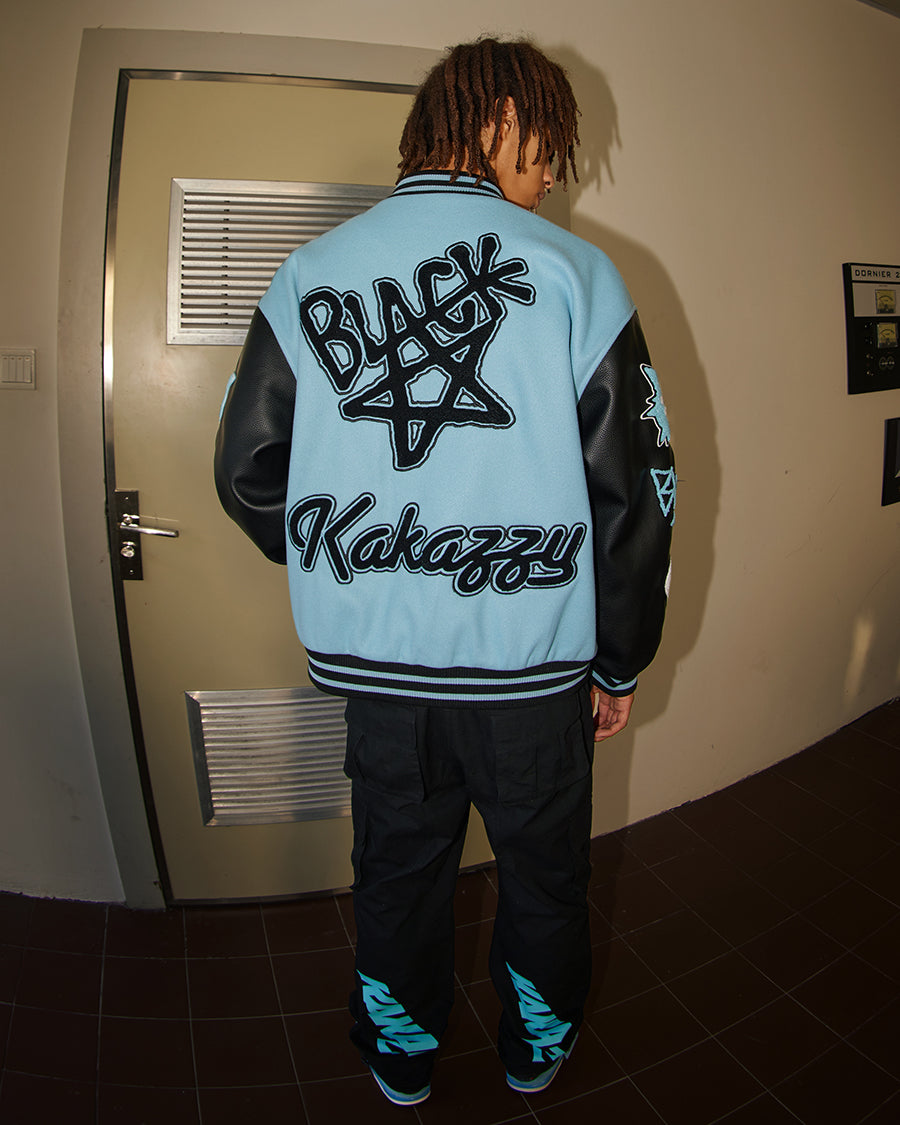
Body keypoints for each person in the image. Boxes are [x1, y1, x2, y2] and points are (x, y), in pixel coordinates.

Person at [214, 36, 675, 1107]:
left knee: (397, 874)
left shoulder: (310, 272)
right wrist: (619, 660)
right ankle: (535, 1047)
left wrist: (358, 569)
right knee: (546, 879)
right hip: (533, 682)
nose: (551, 175)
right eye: (547, 146)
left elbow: (245, 472)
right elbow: (640, 495)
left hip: (382, 686)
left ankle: (401, 1055)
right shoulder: (578, 277)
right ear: (499, 120)